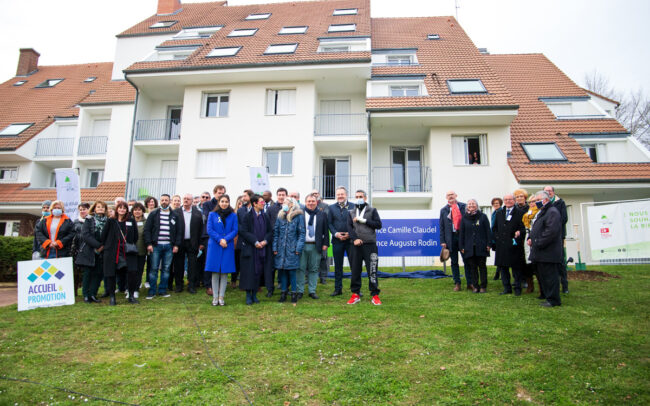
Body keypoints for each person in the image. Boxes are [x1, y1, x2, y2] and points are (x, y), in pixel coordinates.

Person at [346, 190, 382, 305]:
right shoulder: (351, 212)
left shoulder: (372, 210)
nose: (359, 198)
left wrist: (365, 221)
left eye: (360, 196)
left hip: (370, 245)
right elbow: (349, 228)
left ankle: (375, 294)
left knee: (372, 270)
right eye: (356, 196)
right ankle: (355, 294)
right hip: (355, 245)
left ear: (365, 198)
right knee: (355, 270)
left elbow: (378, 225)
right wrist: (355, 238)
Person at [528, 191, 563, 307]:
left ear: (546, 200)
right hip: (541, 252)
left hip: (549, 252)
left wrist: (538, 242)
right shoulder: (543, 212)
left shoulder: (552, 212)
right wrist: (531, 238)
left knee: (550, 277)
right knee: (544, 276)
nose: (536, 202)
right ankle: (548, 297)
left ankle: (554, 300)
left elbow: (551, 232)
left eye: (538, 200)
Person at [144, 194, 181, 299]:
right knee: (153, 269)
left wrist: (176, 245)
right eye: (162, 200)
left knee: (166, 269)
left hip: (169, 246)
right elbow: (147, 230)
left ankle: (162, 290)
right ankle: (151, 291)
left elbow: (179, 231)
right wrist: (149, 244)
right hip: (156, 246)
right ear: (160, 201)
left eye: (166, 200)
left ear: (169, 202)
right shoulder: (154, 214)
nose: (164, 201)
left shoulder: (174, 215)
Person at [101, 201, 139, 305]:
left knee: (132, 273)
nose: (122, 210)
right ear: (117, 209)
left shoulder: (131, 221)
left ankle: (131, 296)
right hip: (112, 251)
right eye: (120, 208)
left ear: (127, 210)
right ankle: (112, 297)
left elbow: (135, 237)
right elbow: (103, 235)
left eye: (124, 208)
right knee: (111, 274)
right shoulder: (111, 221)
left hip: (127, 251)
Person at [239, 195, 273, 305]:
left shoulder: (265, 216)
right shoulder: (247, 216)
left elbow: (270, 231)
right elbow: (244, 232)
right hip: (251, 249)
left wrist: (265, 241)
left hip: (262, 249)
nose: (263, 204)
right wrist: (255, 242)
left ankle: (255, 294)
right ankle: (248, 295)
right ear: (254, 203)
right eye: (261, 202)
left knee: (259, 272)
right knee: (250, 272)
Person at [205, 194, 238, 306]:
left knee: (224, 272)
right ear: (219, 202)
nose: (224, 203)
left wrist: (226, 239)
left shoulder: (233, 215)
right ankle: (215, 297)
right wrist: (220, 239)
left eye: (226, 202)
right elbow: (209, 229)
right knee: (215, 272)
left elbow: (235, 230)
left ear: (229, 203)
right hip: (215, 245)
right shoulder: (212, 214)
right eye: (222, 201)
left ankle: (221, 296)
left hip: (227, 246)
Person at [296, 193, 329, 300]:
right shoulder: (299, 214)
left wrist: (325, 244)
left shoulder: (322, 214)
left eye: (313, 201)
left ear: (316, 202)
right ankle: (300, 290)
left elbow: (325, 230)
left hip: (316, 246)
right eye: (309, 201)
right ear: (305, 202)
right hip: (302, 246)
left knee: (314, 269)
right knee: (300, 268)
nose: (311, 203)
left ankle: (312, 291)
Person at [273, 198, 306, 303]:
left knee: (292, 271)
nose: (284, 205)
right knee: (282, 271)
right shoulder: (280, 216)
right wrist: (275, 247)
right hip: (281, 249)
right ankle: (283, 293)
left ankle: (293, 294)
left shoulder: (298, 216)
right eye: (283, 203)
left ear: (292, 204)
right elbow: (276, 233)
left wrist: (298, 248)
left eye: (286, 203)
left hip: (292, 249)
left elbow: (301, 233)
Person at [492, 194, 526, 295]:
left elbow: (524, 228)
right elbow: (494, 228)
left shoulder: (520, 213)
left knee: (516, 268)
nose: (508, 201)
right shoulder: (499, 213)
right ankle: (506, 288)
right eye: (506, 200)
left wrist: (520, 232)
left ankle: (517, 288)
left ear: (514, 201)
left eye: (510, 199)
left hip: (514, 245)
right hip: (501, 245)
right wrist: (497, 238)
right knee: (503, 268)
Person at [76, 201, 107, 303]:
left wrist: (103, 246)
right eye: (98, 207)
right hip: (89, 250)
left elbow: (110, 235)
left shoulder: (108, 221)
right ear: (94, 209)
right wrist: (97, 246)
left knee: (98, 273)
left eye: (102, 207)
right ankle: (86, 295)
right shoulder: (89, 220)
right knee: (88, 273)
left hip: (103, 251)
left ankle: (93, 294)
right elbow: (85, 235)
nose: (100, 209)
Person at [172, 193, 204, 293]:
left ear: (192, 201)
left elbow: (201, 229)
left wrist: (201, 243)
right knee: (178, 265)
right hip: (179, 242)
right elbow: (173, 229)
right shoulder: (176, 212)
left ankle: (191, 285)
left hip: (192, 242)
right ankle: (179, 285)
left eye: (188, 199)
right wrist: (174, 243)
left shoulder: (197, 213)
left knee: (192, 265)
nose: (186, 200)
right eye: (184, 198)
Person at [459, 199, 492, 293]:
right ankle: (475, 286)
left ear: (477, 206)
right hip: (469, 247)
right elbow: (462, 233)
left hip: (481, 246)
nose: (471, 205)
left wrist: (489, 244)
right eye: (469, 204)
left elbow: (488, 231)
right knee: (472, 268)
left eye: (473, 204)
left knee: (482, 267)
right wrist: (461, 246)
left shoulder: (483, 216)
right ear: (467, 206)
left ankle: (483, 286)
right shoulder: (464, 218)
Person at [328, 186, 355, 296]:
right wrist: (336, 234)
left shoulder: (353, 206)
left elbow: (356, 223)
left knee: (354, 265)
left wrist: (350, 234)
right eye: (338, 194)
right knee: (338, 266)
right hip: (337, 240)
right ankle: (338, 289)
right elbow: (329, 223)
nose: (340, 196)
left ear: (346, 195)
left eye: (342, 194)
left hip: (350, 241)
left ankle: (356, 289)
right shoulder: (331, 208)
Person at [439, 190, 468, 291]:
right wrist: (443, 241)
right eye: (448, 195)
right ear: (446, 197)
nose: (450, 196)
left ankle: (470, 283)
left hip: (462, 237)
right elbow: (441, 227)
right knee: (454, 262)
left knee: (467, 261)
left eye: (452, 194)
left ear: (456, 195)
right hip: (450, 238)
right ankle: (457, 283)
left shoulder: (464, 206)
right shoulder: (443, 210)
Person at [544, 185, 569, 294]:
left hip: (558, 235)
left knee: (560, 261)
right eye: (546, 191)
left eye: (549, 191)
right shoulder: (543, 204)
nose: (548, 193)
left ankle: (564, 285)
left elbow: (564, 218)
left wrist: (552, 228)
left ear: (553, 192)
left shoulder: (560, 203)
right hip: (546, 235)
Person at [523, 194, 544, 298]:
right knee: (528, 263)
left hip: (537, 239)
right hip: (527, 238)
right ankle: (530, 286)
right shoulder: (527, 214)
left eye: (534, 202)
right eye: (530, 202)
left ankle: (542, 288)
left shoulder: (540, 213)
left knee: (537, 265)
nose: (532, 204)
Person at [514, 188, 534, 292]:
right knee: (520, 260)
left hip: (528, 236)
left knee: (529, 260)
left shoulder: (529, 209)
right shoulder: (514, 209)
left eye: (521, 196)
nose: (519, 198)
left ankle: (529, 282)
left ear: (525, 198)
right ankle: (521, 279)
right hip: (518, 238)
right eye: (517, 197)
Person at [312, 189, 330, 284]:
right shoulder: (308, 205)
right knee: (309, 259)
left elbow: (326, 217)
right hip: (310, 236)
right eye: (313, 193)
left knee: (323, 258)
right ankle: (307, 277)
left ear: (319, 194)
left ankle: (323, 277)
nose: (315, 195)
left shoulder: (325, 206)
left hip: (322, 235)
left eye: (316, 193)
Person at [71, 202, 90, 296]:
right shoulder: (75, 222)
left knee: (86, 272)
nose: (82, 211)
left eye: (84, 209)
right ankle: (74, 292)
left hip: (88, 250)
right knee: (75, 273)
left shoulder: (92, 221)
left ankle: (86, 291)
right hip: (77, 250)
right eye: (81, 210)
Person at [130, 202, 147, 299]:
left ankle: (136, 289)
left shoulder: (146, 222)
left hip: (141, 250)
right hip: (130, 251)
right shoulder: (128, 221)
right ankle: (129, 288)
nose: (137, 212)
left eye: (139, 210)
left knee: (139, 271)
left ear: (142, 211)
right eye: (135, 210)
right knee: (130, 271)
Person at [490, 197, 503, 280]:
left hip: (500, 237)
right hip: (494, 237)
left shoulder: (501, 212)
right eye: (494, 203)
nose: (495, 205)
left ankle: (498, 273)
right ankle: (498, 273)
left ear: (500, 204)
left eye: (497, 203)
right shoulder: (494, 213)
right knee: (498, 255)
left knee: (500, 256)